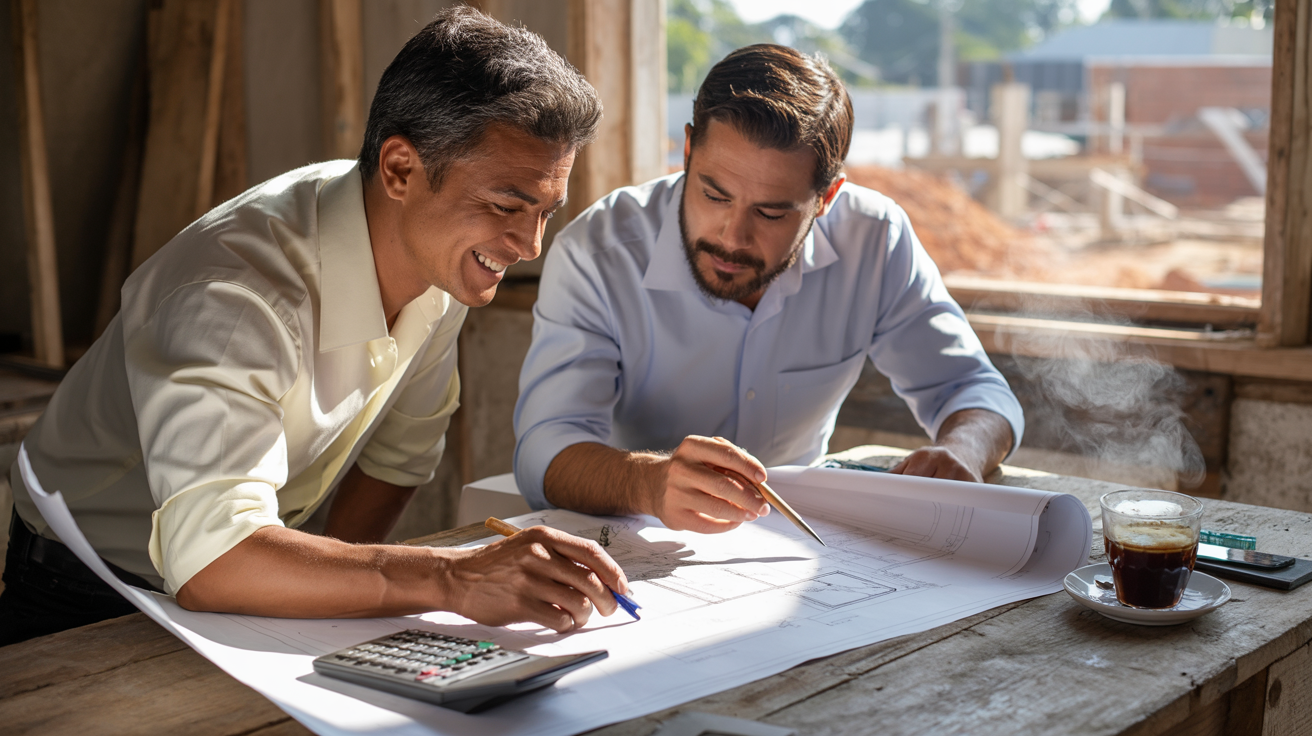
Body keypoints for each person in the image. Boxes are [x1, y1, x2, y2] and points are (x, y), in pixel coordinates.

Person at [1, 7, 628, 648]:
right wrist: (450, 577)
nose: (529, 245)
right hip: (87, 588)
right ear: (401, 170)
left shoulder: (441, 259)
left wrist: (318, 589)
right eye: (506, 207)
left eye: (547, 212)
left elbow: (399, 455)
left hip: (234, 570)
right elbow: (213, 559)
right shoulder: (235, 295)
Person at [514, 44, 1025, 534]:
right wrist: (649, 483)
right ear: (689, 150)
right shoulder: (598, 252)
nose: (732, 237)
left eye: (772, 212)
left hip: (806, 547)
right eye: (714, 194)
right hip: (641, 536)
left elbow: (972, 390)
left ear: (826, 197)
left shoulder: (874, 238)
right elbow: (545, 449)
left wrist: (964, 451)